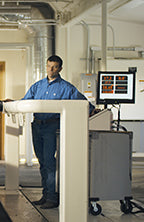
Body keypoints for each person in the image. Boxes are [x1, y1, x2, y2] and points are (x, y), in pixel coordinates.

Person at [22, 55, 94, 209]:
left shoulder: (67, 88)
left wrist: (94, 110)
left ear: (60, 68)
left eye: (54, 67)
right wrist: (11, 103)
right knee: (42, 163)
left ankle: (53, 198)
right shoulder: (37, 86)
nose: (50, 69)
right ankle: (45, 195)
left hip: (51, 127)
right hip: (37, 126)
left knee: (49, 162)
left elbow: (85, 104)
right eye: (48, 66)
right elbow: (25, 102)